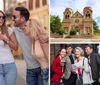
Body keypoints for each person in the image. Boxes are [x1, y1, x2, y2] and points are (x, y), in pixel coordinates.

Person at [12, 7, 43, 85]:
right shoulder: (14, 30)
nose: (13, 19)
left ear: (22, 18)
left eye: (15, 17)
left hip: (42, 68)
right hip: (30, 70)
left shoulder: (35, 27)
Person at [23, 19, 49, 85]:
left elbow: (49, 58)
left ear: (32, 27)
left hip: (47, 71)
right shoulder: (34, 40)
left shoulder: (42, 39)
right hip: (43, 71)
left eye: (25, 26)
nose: (23, 27)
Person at [0, 10, 18, 85]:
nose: (1, 19)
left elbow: (16, 47)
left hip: (9, 66)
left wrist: (6, 39)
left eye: (3, 17)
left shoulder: (9, 30)